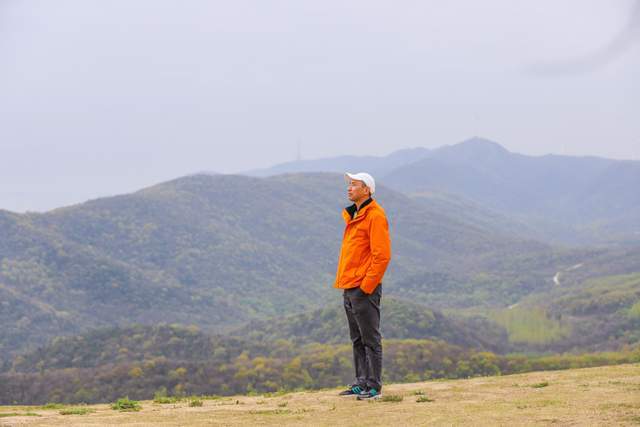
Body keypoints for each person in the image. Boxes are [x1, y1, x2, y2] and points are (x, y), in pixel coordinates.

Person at [334, 172, 392, 400]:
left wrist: (367, 286)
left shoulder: (375, 216)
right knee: (357, 339)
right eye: (349, 184)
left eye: (354, 185)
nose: (349, 188)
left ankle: (374, 386)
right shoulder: (356, 215)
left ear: (366, 190)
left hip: (363, 288)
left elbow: (382, 256)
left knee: (370, 339)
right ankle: (361, 382)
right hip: (350, 287)